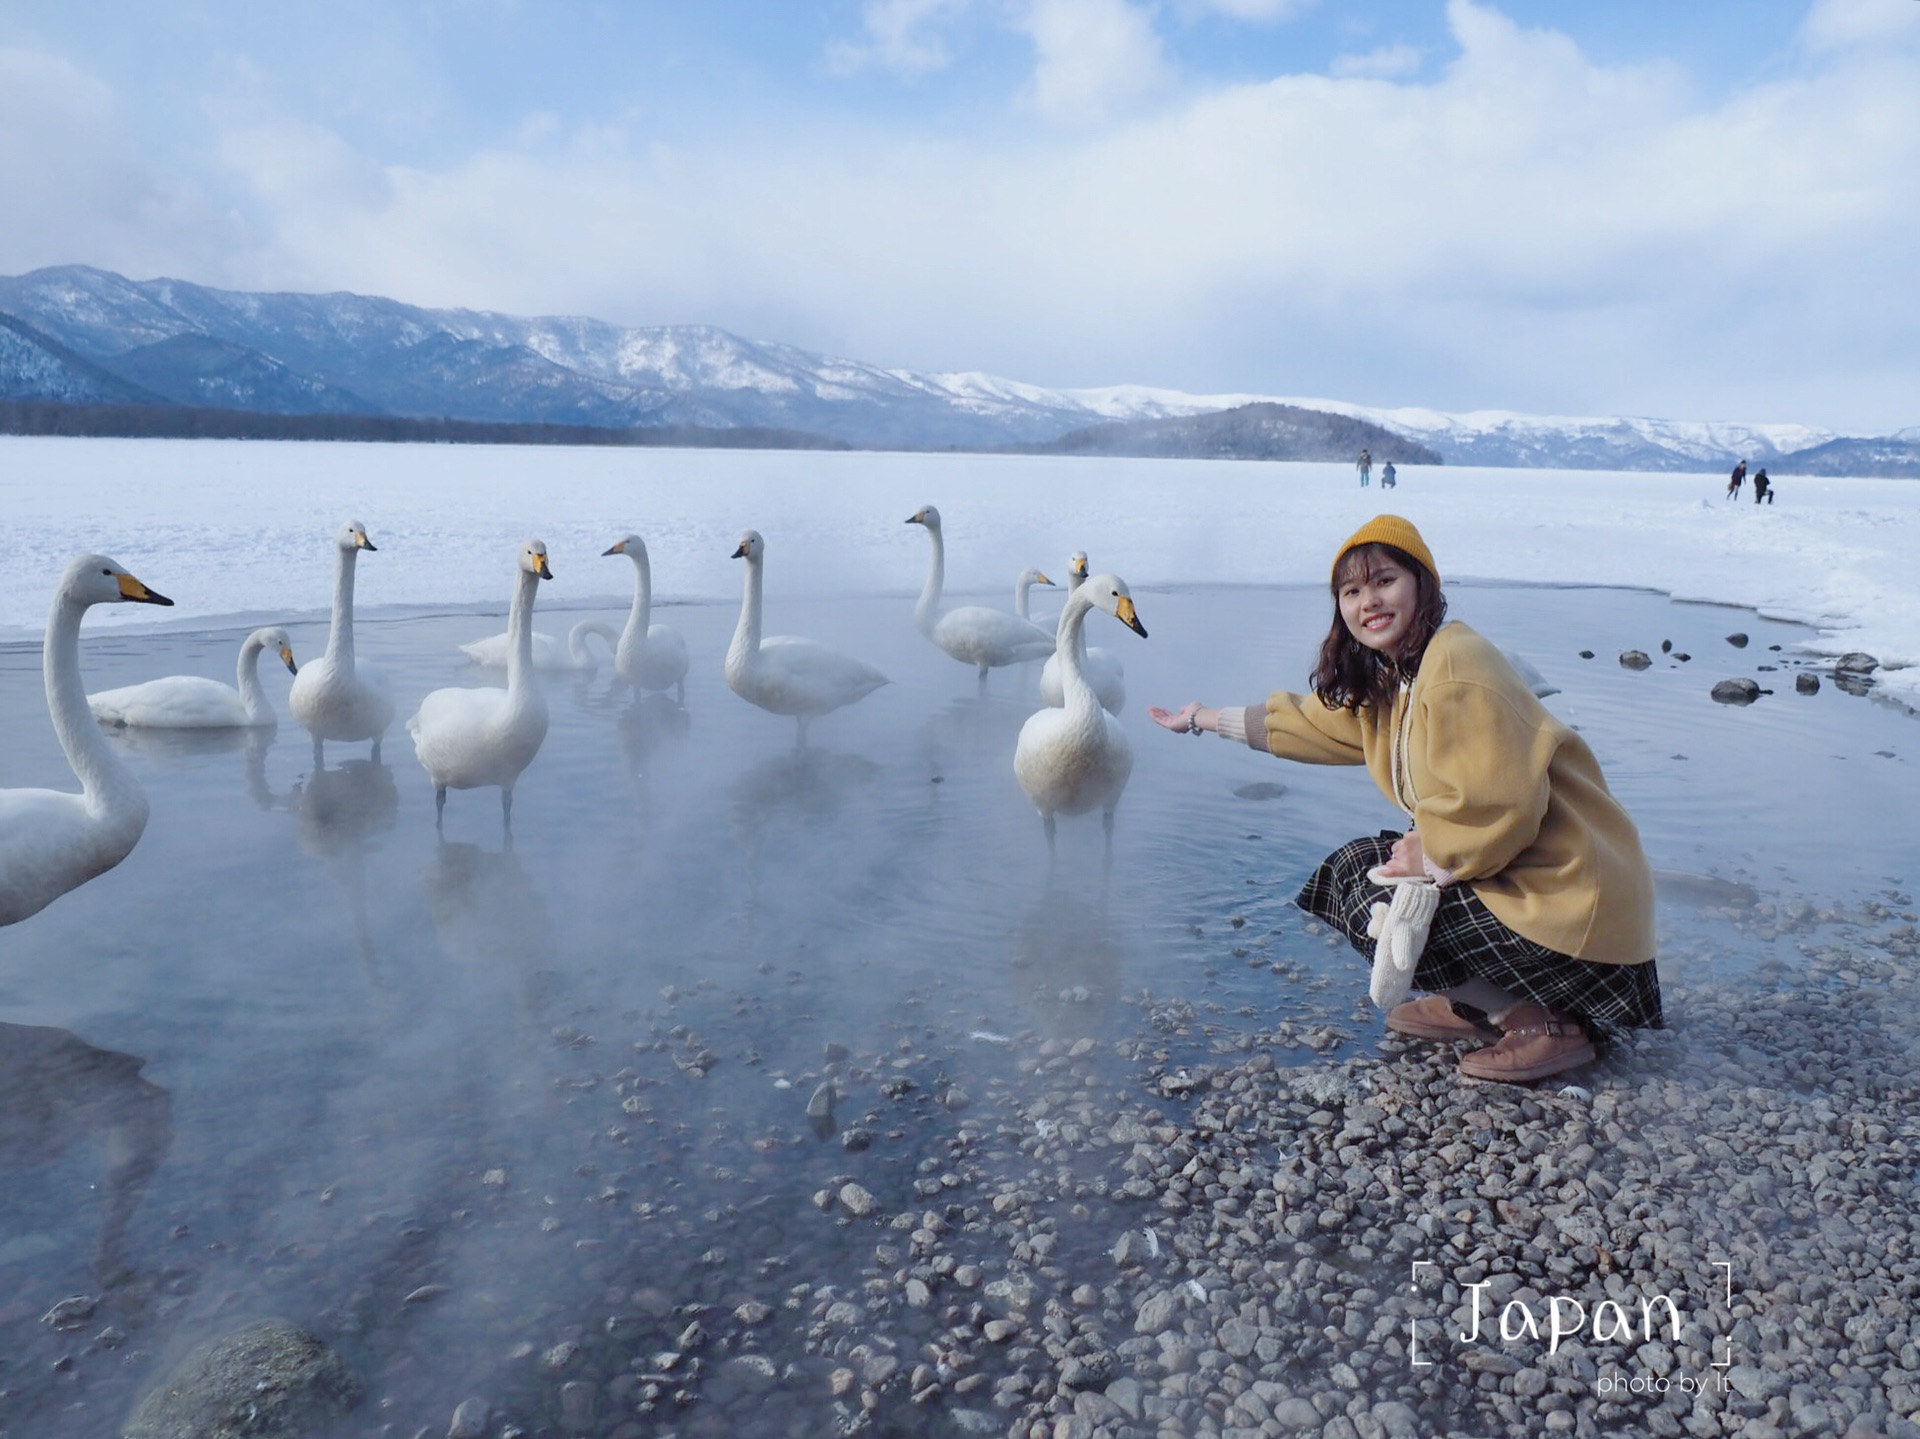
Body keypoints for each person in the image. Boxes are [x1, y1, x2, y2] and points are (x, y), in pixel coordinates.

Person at [1149, 515, 1661, 1084]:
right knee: (1367, 872)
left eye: (1384, 581)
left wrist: (1431, 853)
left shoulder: (1454, 663)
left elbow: (1500, 804)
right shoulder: (1401, 678)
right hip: (1538, 884)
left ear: (1421, 583)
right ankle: (1483, 1003)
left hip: (1572, 898)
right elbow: (1312, 724)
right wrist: (1200, 719)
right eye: (1351, 591)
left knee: (1370, 885)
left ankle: (1543, 1025)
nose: (1368, 601)